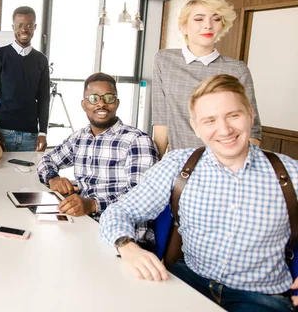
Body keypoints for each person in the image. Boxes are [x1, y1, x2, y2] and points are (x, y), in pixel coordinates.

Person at [100, 74, 298, 311]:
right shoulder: (178, 165)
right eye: (210, 120)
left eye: (233, 115)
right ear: (195, 127)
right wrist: (128, 246)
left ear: (250, 116)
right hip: (190, 282)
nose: (224, 130)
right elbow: (119, 212)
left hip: (260, 296)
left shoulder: (291, 173)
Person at [37, 73, 158, 241]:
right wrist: (53, 178)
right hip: (83, 224)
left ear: (117, 103)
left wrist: (93, 204)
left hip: (125, 236)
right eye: (94, 98)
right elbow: (46, 160)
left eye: (108, 98)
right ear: (84, 104)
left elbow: (142, 198)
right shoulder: (80, 138)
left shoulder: (137, 141)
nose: (101, 103)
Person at [152, 0, 261, 157]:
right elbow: (161, 121)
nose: (208, 26)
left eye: (216, 19)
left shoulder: (237, 69)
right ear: (184, 26)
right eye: (199, 19)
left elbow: (253, 129)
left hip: (225, 164)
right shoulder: (164, 60)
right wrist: (157, 165)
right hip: (180, 164)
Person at [0, 6, 50, 152]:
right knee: (0, 174)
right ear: (13, 27)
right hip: (2, 131)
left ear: (35, 27)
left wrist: (43, 132)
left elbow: (44, 98)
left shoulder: (41, 60)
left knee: (28, 174)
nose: (24, 29)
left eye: (28, 25)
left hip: (31, 134)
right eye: (19, 25)